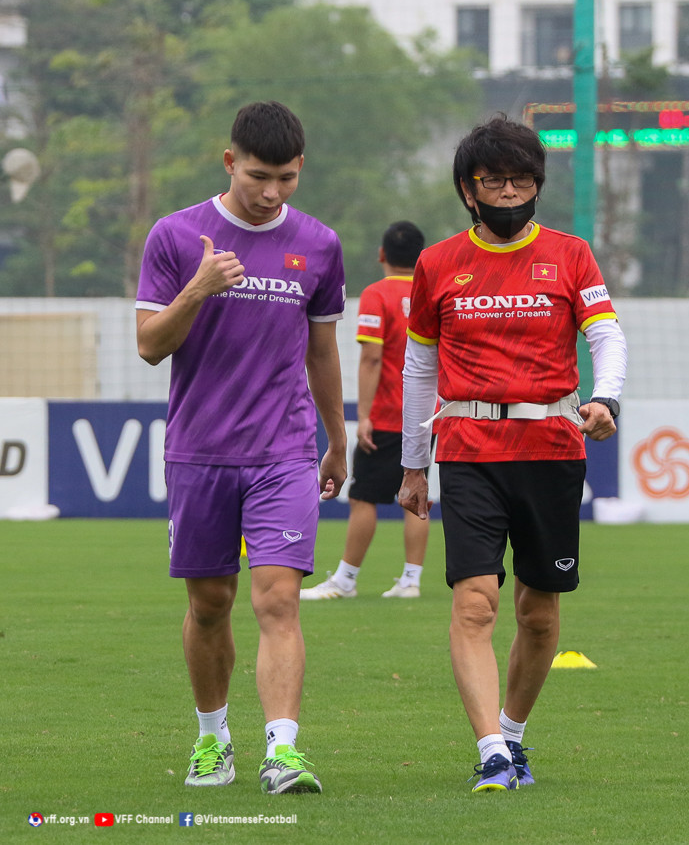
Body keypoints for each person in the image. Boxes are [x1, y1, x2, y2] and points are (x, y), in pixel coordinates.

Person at [398, 114, 627, 793]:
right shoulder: (437, 264)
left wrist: (607, 400)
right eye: (493, 180)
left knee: (539, 610)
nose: (508, 192)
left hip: (554, 448)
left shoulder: (572, 254)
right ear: (468, 189)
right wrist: (416, 463)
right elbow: (417, 368)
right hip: (468, 450)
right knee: (475, 603)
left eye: (521, 179)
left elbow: (606, 335)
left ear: (537, 185)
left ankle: (515, 733)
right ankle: (491, 750)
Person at [135, 101, 347, 795]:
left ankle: (283, 751)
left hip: (284, 451)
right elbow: (149, 346)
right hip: (199, 451)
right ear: (230, 163)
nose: (271, 193)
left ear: (300, 170)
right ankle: (211, 739)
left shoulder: (318, 244)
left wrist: (336, 439)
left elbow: (322, 351)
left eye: (286, 179)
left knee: (278, 599)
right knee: (209, 604)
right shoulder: (175, 236)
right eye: (258, 176)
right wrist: (197, 289)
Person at [300, 221, 429, 601]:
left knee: (363, 498)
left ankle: (346, 580)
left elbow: (372, 356)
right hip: (427, 412)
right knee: (416, 496)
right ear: (421, 257)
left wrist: (366, 415)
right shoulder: (430, 291)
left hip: (390, 413)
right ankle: (411, 580)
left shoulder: (377, 294)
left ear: (382, 255)